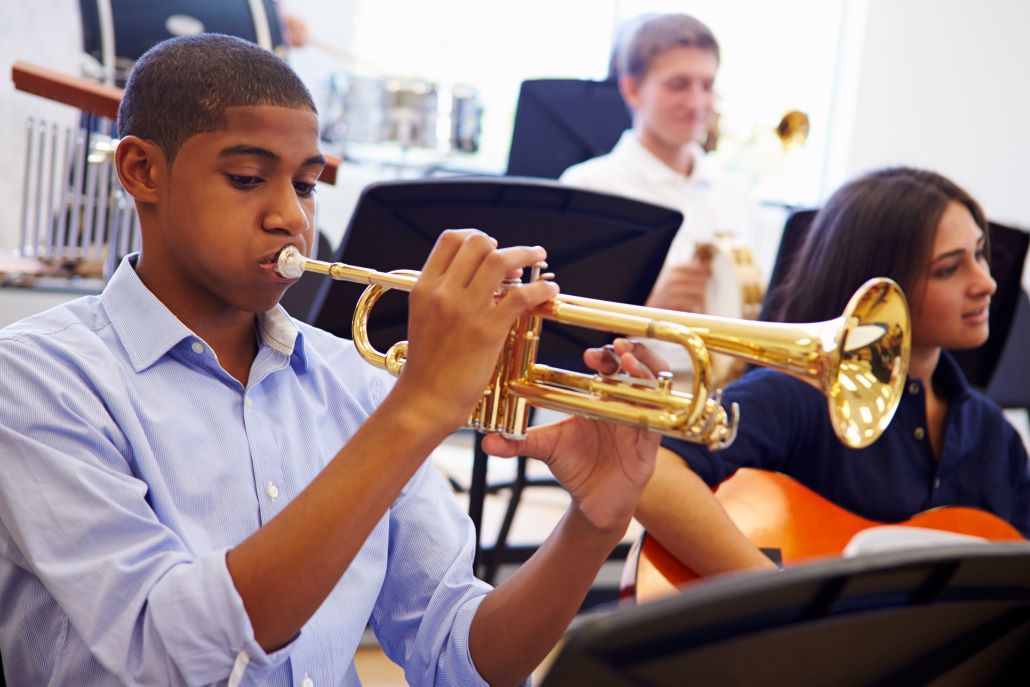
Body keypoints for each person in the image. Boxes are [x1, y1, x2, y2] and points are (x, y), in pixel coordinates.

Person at [0, 34, 659, 685]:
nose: (290, 215)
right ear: (142, 171)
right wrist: (418, 408)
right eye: (248, 179)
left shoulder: (352, 381)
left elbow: (460, 655)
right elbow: (170, 655)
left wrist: (592, 524)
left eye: (308, 184)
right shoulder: (40, 378)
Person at [595, 167, 1030, 579]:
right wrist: (775, 594)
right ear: (880, 284)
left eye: (979, 254)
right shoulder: (793, 396)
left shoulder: (993, 434)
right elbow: (655, 475)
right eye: (949, 269)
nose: (987, 282)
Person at [560, 13, 772, 328]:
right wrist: (652, 305)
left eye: (707, 85)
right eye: (678, 85)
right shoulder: (585, 187)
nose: (698, 102)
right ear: (632, 90)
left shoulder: (738, 195)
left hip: (729, 377)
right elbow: (563, 333)